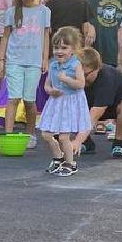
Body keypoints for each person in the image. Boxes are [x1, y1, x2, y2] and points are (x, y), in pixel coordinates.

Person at [1, 0, 50, 145]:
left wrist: (45, 59)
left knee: (30, 100)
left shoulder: (44, 11)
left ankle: (30, 134)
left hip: (34, 62)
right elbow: (5, 37)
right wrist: (2, 60)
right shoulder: (11, 12)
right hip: (14, 60)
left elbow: (45, 36)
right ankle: (8, 134)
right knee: (13, 98)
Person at [40, 27, 90, 176]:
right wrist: (50, 90)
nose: (59, 51)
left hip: (70, 102)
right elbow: (47, 84)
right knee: (46, 134)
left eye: (64, 48)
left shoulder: (75, 65)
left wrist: (66, 80)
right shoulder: (54, 65)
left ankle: (70, 163)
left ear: (73, 49)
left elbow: (81, 84)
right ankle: (58, 158)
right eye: (56, 48)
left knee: (63, 137)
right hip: (56, 102)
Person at [79, 48, 122, 159]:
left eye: (86, 74)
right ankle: (87, 144)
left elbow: (96, 113)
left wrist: (77, 140)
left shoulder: (107, 76)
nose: (82, 78)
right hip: (89, 104)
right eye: (79, 74)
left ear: (97, 68)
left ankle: (118, 144)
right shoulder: (73, 75)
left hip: (115, 106)